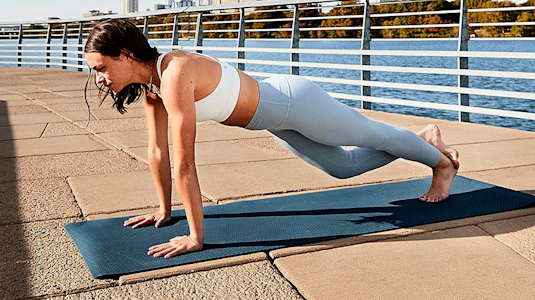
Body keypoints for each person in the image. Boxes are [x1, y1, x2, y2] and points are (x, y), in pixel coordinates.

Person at [83, 19, 459, 260]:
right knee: (343, 168)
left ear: (127, 54)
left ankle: (441, 163)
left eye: (101, 68)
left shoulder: (175, 72)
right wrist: (165, 212)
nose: (100, 78)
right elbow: (157, 152)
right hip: (273, 119)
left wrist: (196, 237)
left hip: (294, 102)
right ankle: (425, 139)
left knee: (371, 133)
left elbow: (185, 162)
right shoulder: (153, 87)